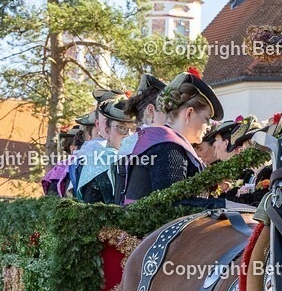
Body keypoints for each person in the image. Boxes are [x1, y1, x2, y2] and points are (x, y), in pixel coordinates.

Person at [122, 68, 227, 207]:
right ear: (189, 114)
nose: (208, 125)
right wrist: (228, 206)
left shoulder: (161, 141)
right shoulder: (168, 146)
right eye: (206, 118)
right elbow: (172, 205)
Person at [114, 74, 167, 205]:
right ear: (151, 111)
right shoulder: (154, 144)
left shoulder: (129, 144)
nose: (171, 118)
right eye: (167, 112)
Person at [76, 100, 134, 204]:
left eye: (133, 129)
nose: (128, 135)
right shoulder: (96, 161)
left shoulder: (137, 160)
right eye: (121, 128)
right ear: (107, 131)